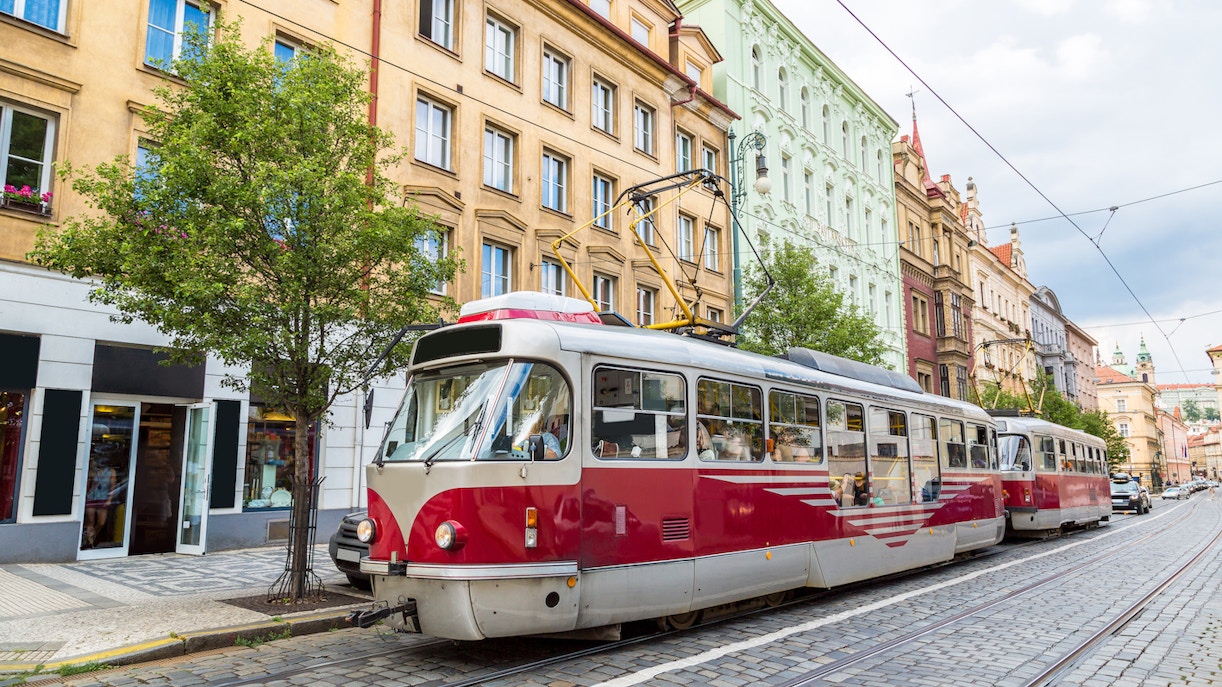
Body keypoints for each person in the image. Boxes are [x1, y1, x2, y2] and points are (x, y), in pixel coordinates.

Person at [83, 460, 116, 548]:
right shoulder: (93, 471)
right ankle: (90, 543)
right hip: (91, 497)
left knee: (101, 522)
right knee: (90, 521)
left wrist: (109, 499)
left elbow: (113, 487)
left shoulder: (111, 471)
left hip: (103, 498)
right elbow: (87, 485)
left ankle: (92, 536)